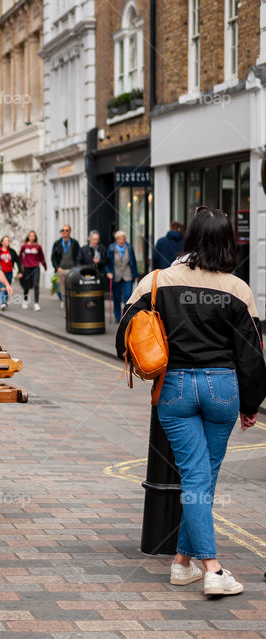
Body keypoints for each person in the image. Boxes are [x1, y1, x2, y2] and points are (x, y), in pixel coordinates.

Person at [116, 206, 266, 597]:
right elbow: (252, 355)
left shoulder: (158, 280)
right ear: (227, 243)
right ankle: (212, 569)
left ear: (191, 238)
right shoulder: (238, 289)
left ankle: (184, 563)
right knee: (204, 479)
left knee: (197, 478)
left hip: (175, 389)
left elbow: (124, 336)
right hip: (222, 389)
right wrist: (251, 405)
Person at [105, 229, 139, 322]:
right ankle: (117, 316)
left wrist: (135, 274)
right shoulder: (111, 248)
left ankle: (126, 316)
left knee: (128, 296)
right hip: (115, 275)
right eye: (119, 239)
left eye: (122, 239)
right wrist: (108, 272)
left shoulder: (129, 248)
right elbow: (107, 263)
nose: (121, 241)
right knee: (116, 297)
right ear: (116, 239)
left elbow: (133, 262)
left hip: (127, 275)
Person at [51, 224, 79, 308]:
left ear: (70, 232)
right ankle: (66, 308)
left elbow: (78, 256)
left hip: (72, 270)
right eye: (62, 230)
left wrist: (75, 268)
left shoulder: (74, 243)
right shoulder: (57, 243)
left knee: (72, 289)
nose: (64, 232)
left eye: (66, 230)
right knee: (63, 291)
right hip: (61, 270)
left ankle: (72, 306)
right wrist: (57, 268)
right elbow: (53, 257)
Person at [18, 230, 47, 311]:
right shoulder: (24, 246)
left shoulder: (38, 247)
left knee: (36, 284)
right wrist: (23, 263)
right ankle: (25, 300)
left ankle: (36, 303)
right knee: (27, 285)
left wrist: (45, 266)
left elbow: (42, 257)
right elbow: (20, 256)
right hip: (27, 268)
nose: (32, 237)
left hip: (35, 268)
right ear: (28, 237)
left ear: (35, 237)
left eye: (33, 236)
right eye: (30, 235)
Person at [0, 236, 21, 311]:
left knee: (7, 288)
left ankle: (5, 302)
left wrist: (20, 271)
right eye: (5, 241)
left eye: (8, 241)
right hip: (1, 273)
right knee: (3, 287)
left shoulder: (12, 251)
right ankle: (3, 303)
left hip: (9, 272)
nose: (7, 242)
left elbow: (18, 261)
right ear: (2, 242)